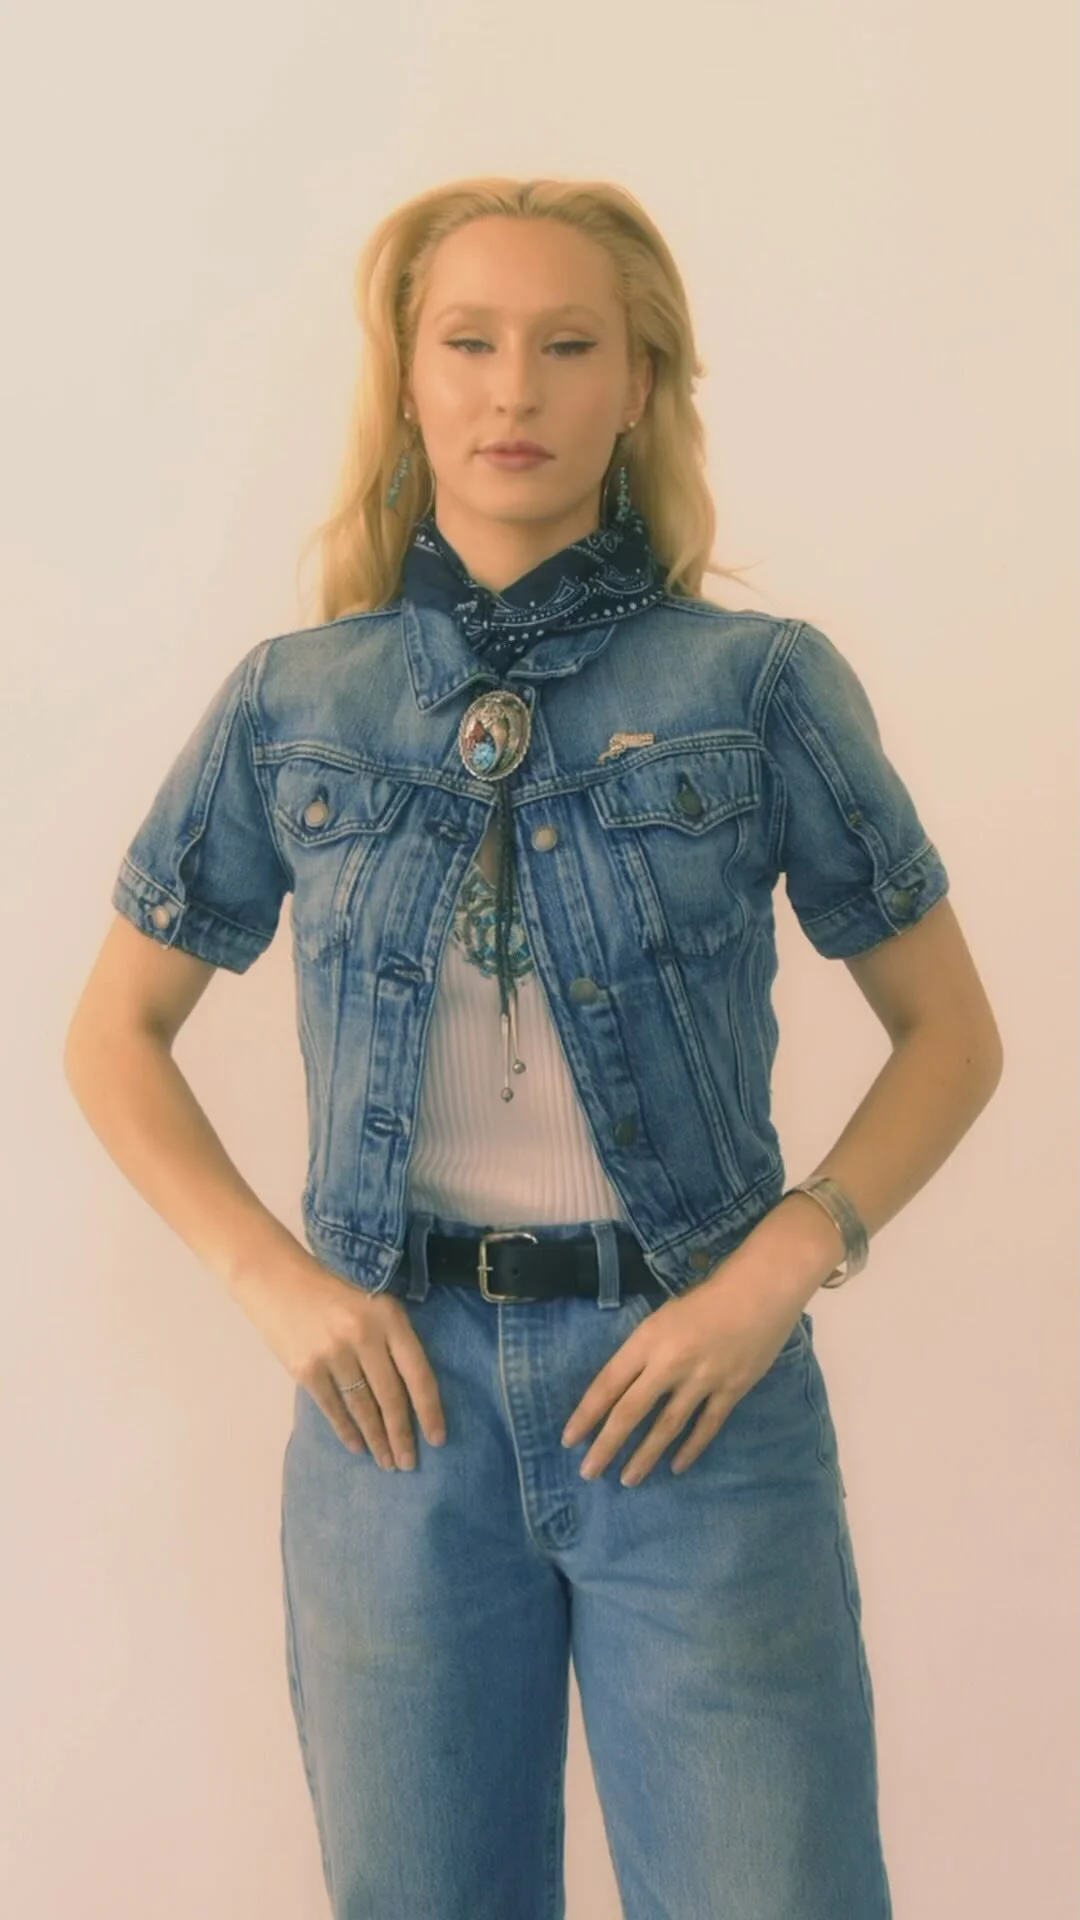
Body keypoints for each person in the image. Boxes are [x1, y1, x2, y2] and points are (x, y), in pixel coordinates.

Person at [63, 175, 1003, 1920]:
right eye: (470, 343)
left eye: (570, 346)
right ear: (408, 379)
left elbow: (950, 1034)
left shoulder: (757, 685)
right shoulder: (295, 700)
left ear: (640, 385)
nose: (515, 390)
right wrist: (276, 1285)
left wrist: (771, 1277)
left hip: (695, 1394)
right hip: (394, 1415)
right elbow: (115, 1032)